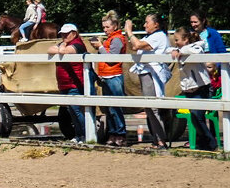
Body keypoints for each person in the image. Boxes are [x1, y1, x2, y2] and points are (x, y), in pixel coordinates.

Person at [125, 14, 171, 150]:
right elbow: (134, 46)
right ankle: (156, 139)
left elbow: (137, 44)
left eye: (147, 22)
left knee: (153, 108)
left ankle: (160, 141)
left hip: (152, 75)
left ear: (156, 24)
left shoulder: (159, 36)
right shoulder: (150, 37)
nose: (144, 25)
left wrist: (129, 31)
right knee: (149, 108)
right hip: (146, 74)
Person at [170, 27, 217, 151]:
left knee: (197, 116)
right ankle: (204, 143)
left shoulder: (197, 46)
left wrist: (181, 51)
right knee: (195, 118)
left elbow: (197, 51)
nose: (175, 42)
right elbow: (167, 50)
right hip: (190, 89)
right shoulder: (180, 49)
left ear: (185, 39)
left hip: (201, 88)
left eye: (177, 40)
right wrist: (176, 50)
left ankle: (211, 143)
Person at [88, 11, 128, 146]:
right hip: (107, 75)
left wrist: (100, 47)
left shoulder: (116, 39)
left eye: (107, 27)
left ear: (115, 26)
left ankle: (120, 134)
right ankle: (113, 133)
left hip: (114, 75)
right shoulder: (111, 39)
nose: (105, 30)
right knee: (110, 108)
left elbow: (111, 58)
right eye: (104, 27)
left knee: (116, 107)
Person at [48, 24, 88, 142]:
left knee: (77, 110)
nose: (64, 36)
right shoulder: (66, 44)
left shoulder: (78, 45)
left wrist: (62, 46)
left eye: (66, 34)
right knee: (72, 111)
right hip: (65, 83)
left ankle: (85, 135)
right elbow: (49, 49)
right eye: (62, 34)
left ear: (74, 34)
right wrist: (61, 46)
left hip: (74, 83)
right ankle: (78, 135)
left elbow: (63, 51)